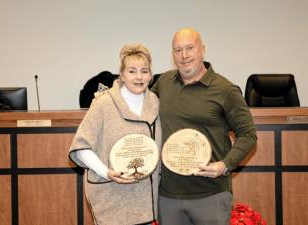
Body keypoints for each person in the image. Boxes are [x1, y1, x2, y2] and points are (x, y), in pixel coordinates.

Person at [151, 28, 257, 225]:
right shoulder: (164, 82)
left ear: (202, 50)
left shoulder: (225, 90)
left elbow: (248, 135)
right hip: (168, 195)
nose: (184, 56)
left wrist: (224, 165)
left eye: (190, 48)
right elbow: (139, 106)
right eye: (177, 50)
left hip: (211, 194)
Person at [69, 44, 161, 225]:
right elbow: (81, 147)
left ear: (150, 76)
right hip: (111, 194)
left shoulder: (155, 102)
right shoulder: (104, 103)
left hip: (146, 197)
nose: (139, 77)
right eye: (132, 71)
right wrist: (106, 172)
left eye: (144, 71)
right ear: (122, 75)